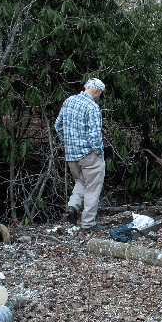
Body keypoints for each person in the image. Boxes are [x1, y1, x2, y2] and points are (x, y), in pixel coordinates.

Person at [55, 78, 106, 231]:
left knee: (81, 181)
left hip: (71, 155)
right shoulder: (92, 107)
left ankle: (72, 207)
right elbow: (95, 136)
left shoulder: (69, 101)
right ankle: (88, 224)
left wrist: (69, 143)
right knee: (93, 187)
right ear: (97, 92)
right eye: (100, 93)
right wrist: (98, 153)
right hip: (89, 155)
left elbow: (58, 126)